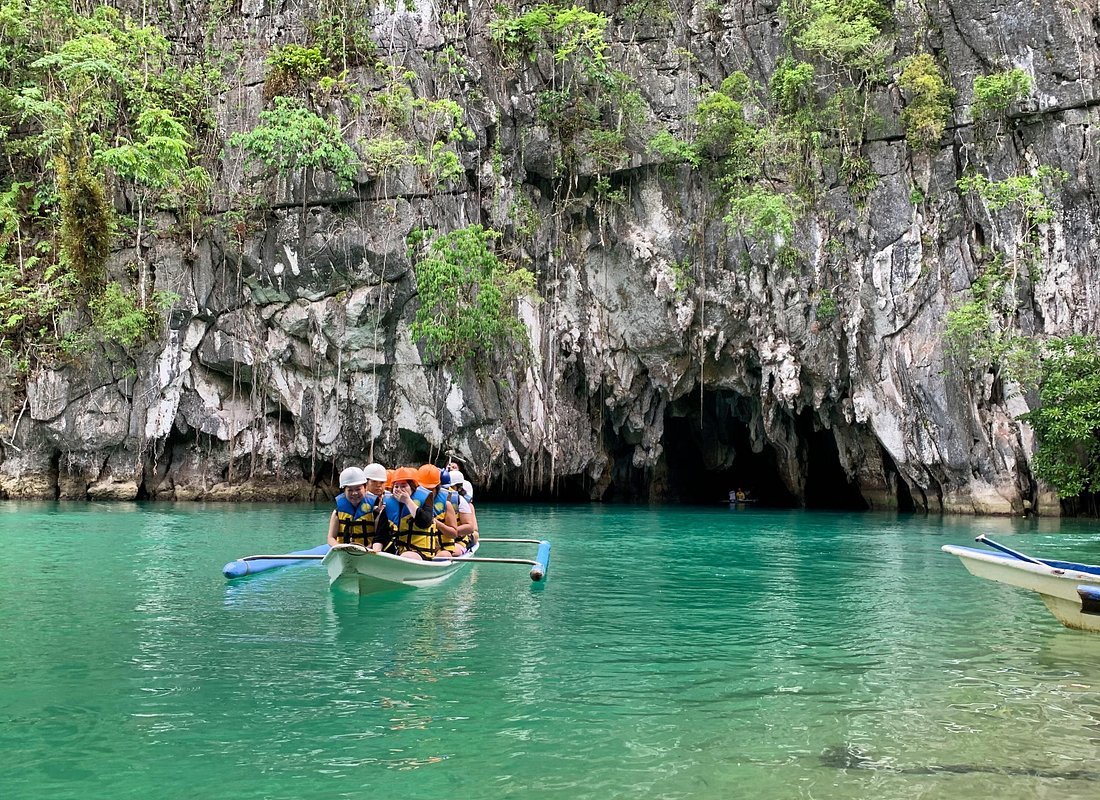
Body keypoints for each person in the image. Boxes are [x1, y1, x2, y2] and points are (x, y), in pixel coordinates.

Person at [375, 466, 445, 559]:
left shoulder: (425, 499)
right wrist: (376, 552)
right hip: (396, 552)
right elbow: (380, 535)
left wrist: (407, 501)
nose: (399, 489)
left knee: (406, 556)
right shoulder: (389, 505)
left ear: (412, 487)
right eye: (396, 486)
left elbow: (425, 523)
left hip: (420, 553)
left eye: (403, 486)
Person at [327, 465, 386, 549]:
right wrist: (341, 548)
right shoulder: (337, 513)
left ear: (365, 488)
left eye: (358, 489)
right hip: (344, 551)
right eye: (350, 490)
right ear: (344, 491)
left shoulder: (375, 512)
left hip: (367, 551)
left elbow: (378, 537)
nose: (354, 493)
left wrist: (366, 549)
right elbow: (331, 538)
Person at [417, 464, 464, 555]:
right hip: (418, 549)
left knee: (444, 555)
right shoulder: (412, 502)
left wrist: (436, 523)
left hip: (441, 549)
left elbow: (454, 533)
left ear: (438, 487)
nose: (428, 493)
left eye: (431, 489)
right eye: (425, 489)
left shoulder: (446, 504)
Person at [445, 470, 479, 547]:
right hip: (445, 536)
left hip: (460, 537)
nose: (448, 490)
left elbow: (473, 529)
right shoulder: (440, 500)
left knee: (475, 534)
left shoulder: (466, 504)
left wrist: (449, 532)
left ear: (459, 488)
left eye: (451, 487)